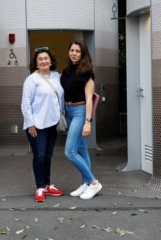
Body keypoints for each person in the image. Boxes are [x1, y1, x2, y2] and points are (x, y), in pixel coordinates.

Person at [21, 46, 65, 202]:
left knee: (48, 156)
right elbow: (26, 104)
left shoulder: (57, 77)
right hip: (36, 125)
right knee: (39, 156)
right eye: (40, 59)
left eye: (46, 58)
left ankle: (47, 185)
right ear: (36, 63)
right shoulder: (32, 79)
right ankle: (40, 187)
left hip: (52, 123)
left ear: (51, 61)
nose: (44, 61)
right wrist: (30, 124)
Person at [60, 40, 102, 200]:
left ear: (83, 54)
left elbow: (89, 99)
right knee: (81, 150)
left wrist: (87, 121)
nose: (74, 53)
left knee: (69, 152)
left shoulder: (87, 72)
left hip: (80, 111)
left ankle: (93, 182)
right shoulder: (66, 71)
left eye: (78, 51)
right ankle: (85, 183)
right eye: (72, 50)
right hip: (68, 111)